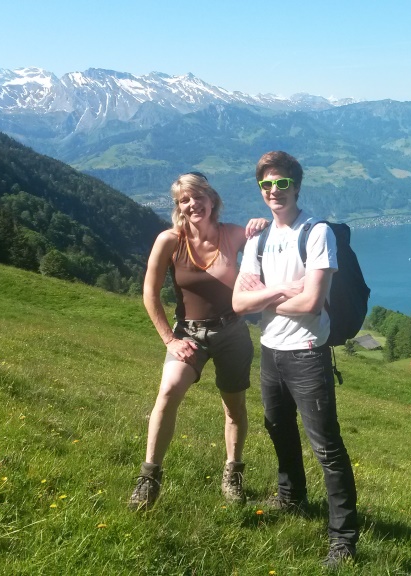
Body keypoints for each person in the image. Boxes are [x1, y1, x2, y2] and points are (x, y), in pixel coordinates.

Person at [232, 151, 359, 568]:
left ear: (297, 186)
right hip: (271, 352)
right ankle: (292, 497)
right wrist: (281, 291)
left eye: (282, 183)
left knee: (326, 447)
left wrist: (263, 299)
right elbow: (238, 303)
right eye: (266, 184)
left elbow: (310, 304)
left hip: (307, 353)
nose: (274, 190)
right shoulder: (258, 239)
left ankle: (343, 539)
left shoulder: (317, 233)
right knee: (278, 429)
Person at [129, 172, 268, 511]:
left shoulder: (232, 234)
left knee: (234, 407)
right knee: (168, 392)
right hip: (188, 334)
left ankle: (232, 472)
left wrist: (262, 225)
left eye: (198, 197)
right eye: (184, 200)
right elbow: (149, 293)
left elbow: (273, 245)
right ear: (178, 207)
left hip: (232, 332)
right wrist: (169, 340)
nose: (193, 205)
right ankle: (149, 478)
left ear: (212, 199)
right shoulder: (169, 241)